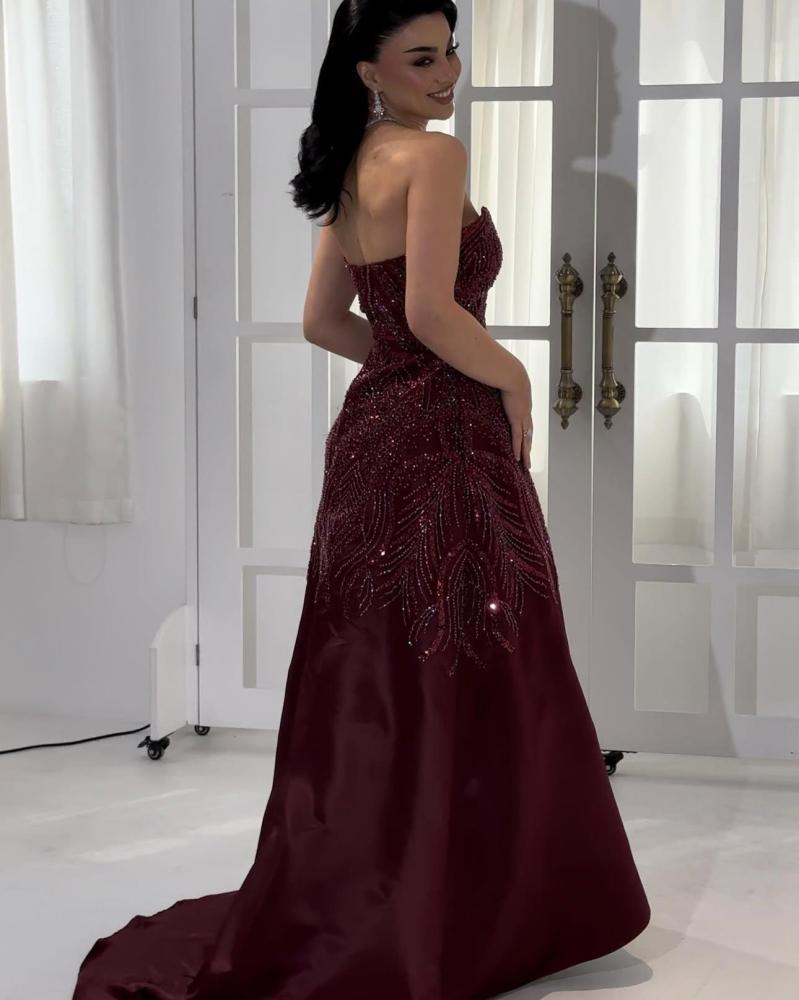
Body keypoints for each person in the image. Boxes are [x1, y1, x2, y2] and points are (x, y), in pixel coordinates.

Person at [72, 2, 650, 997]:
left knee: (386, 671)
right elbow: (427, 310)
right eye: (420, 59)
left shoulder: (351, 162)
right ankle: (472, 906)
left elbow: (322, 320)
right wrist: (510, 377)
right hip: (448, 443)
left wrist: (401, 375)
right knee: (478, 655)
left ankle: (397, 895)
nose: (447, 72)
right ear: (369, 73)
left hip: (373, 441)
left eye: (450, 51)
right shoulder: (433, 157)